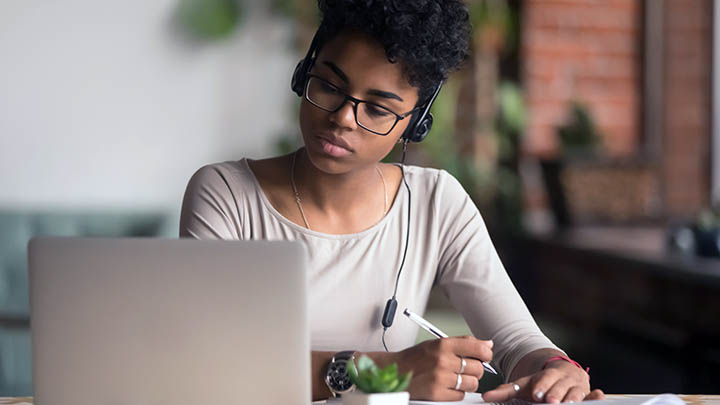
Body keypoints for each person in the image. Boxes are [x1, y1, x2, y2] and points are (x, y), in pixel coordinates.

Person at [180, 0, 605, 402]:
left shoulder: (437, 203)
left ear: (415, 123)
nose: (343, 119)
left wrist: (555, 368)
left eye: (378, 110)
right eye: (329, 86)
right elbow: (206, 363)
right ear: (303, 74)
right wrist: (389, 371)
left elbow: (516, 342)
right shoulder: (226, 194)